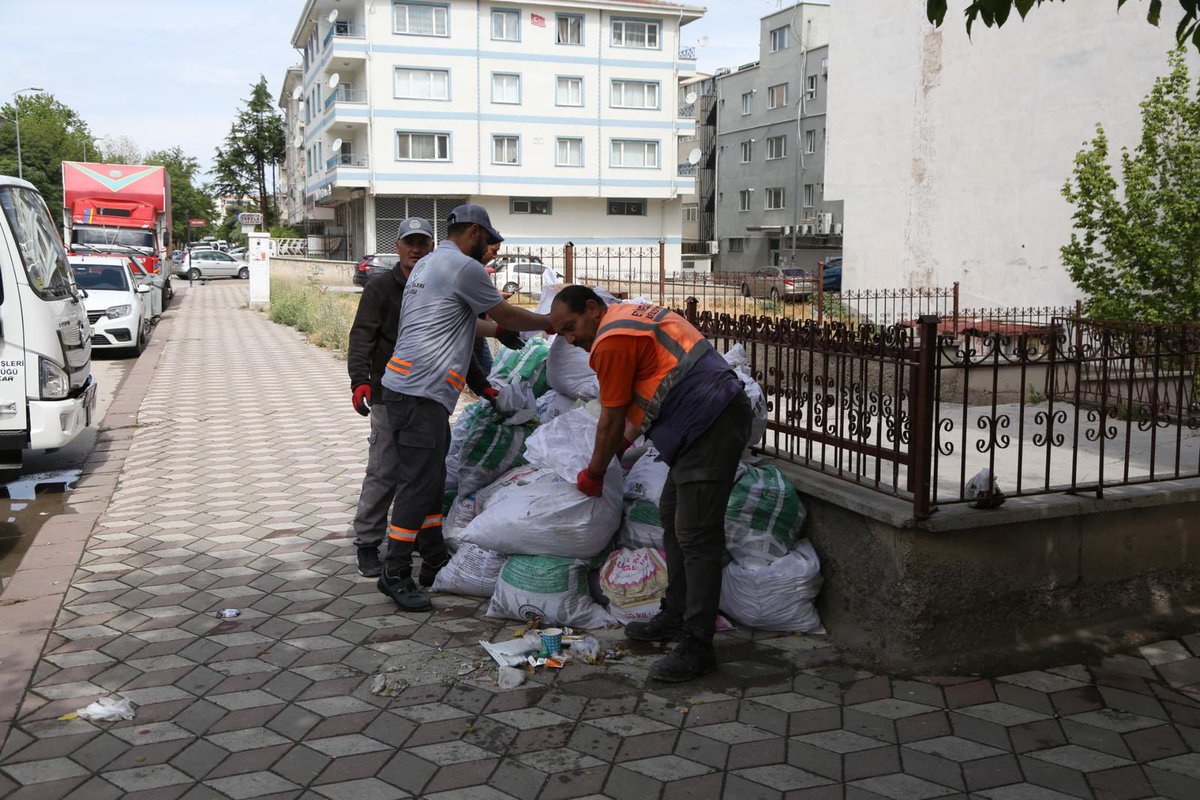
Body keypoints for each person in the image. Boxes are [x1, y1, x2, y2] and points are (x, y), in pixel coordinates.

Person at [549, 286, 752, 682]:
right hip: (707, 417)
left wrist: (593, 473)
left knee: (697, 535)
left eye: (571, 328)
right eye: (562, 335)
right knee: (673, 515)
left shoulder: (611, 339)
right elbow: (646, 397)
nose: (571, 340)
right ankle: (676, 614)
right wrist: (619, 449)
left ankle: (698, 644)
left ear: (592, 308)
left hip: (710, 420)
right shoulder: (630, 317)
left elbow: (609, 420)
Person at [377, 204, 552, 612]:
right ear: (472, 231)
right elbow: (503, 312)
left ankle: (434, 556)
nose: (489, 249)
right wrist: (550, 321)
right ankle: (395, 570)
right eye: (487, 239)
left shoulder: (430, 264)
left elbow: (461, 324)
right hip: (420, 391)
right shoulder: (463, 267)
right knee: (418, 484)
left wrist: (484, 375)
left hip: (406, 388)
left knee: (431, 478)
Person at [346, 218, 498, 579]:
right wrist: (359, 380)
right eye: (408, 242)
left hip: (429, 394)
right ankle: (368, 543)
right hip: (390, 390)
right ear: (397, 246)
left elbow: (460, 344)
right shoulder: (382, 288)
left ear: (432, 246)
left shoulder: (436, 279)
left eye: (422, 242)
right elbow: (362, 335)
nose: (415, 249)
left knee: (425, 474)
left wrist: (483, 385)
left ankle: (424, 546)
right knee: (386, 470)